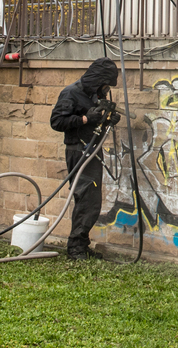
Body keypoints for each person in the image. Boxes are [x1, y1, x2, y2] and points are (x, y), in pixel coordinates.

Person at [48, 56, 119, 260]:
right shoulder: (71, 93)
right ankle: (75, 248)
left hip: (92, 150)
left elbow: (94, 124)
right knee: (85, 199)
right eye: (104, 85)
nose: (105, 90)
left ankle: (81, 243)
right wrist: (86, 118)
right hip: (79, 150)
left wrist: (107, 120)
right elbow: (57, 121)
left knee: (92, 202)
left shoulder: (93, 95)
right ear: (97, 80)